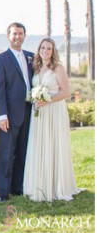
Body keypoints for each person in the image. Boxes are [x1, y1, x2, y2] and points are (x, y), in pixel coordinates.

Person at [23, 38, 80, 202]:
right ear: (39, 50)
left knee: (54, 144)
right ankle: (39, 183)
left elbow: (66, 92)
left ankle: (56, 185)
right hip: (39, 113)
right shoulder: (36, 67)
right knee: (40, 144)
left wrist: (48, 100)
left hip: (54, 111)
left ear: (53, 51)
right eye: (42, 48)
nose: (45, 51)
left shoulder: (58, 68)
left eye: (48, 49)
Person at [0, 23, 33, 202]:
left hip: (30, 111)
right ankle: (3, 192)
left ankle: (18, 188)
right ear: (8, 36)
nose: (17, 37)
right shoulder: (0, 59)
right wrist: (1, 115)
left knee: (23, 151)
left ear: (24, 36)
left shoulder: (32, 57)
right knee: (6, 153)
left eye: (20, 33)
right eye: (14, 34)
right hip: (9, 114)